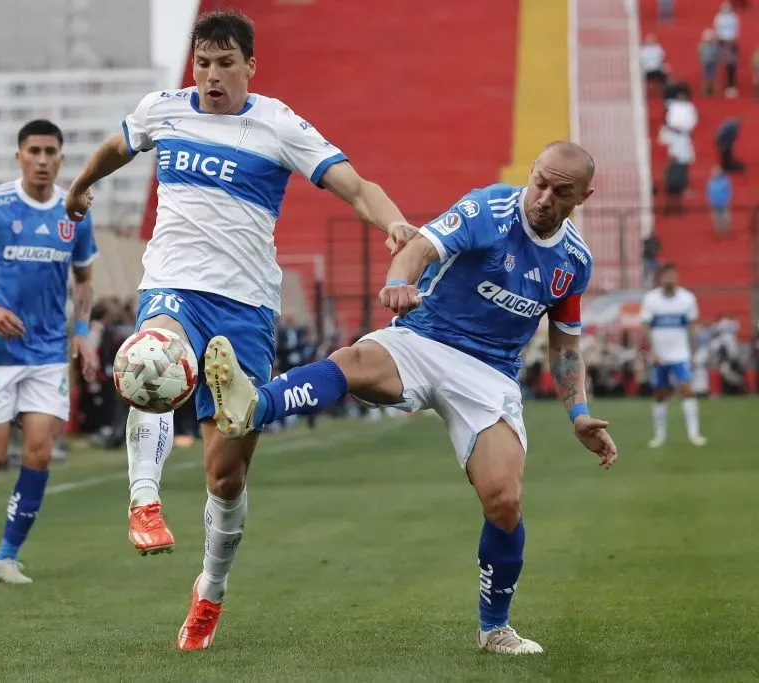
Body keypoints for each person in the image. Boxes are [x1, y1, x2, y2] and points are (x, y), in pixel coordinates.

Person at [64, 9, 419, 648]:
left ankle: (211, 589)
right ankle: (144, 500)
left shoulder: (278, 124)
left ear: (250, 66)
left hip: (246, 309)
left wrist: (392, 223)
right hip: (172, 285)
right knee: (150, 359)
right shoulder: (164, 109)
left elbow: (355, 185)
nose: (211, 76)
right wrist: (81, 186)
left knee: (225, 475)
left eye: (226, 63)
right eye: (203, 62)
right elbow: (121, 143)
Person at [204, 141, 619, 654]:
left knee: (505, 501)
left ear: (585, 196)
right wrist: (399, 283)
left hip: (489, 375)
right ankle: (254, 406)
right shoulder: (487, 208)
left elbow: (565, 343)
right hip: (425, 337)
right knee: (353, 362)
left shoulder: (573, 262)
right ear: (531, 173)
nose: (544, 198)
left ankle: (494, 629)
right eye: (540, 182)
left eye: (561, 192)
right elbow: (421, 247)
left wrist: (578, 413)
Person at [0, 119, 98, 584]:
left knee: (38, 452)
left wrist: (82, 332)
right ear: (19, 156)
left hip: (49, 353)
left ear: (61, 158)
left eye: (51, 151)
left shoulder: (75, 212)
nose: (42, 160)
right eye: (34, 151)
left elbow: (85, 280)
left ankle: (7, 557)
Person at [639, 264, 706, 448]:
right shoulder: (651, 299)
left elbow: (692, 328)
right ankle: (659, 436)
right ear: (661, 278)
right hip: (660, 355)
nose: (669, 279)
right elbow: (645, 327)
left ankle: (694, 434)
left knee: (687, 390)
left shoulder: (687, 298)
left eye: (672, 276)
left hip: (680, 354)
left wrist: (693, 353)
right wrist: (652, 352)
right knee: (660, 394)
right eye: (666, 276)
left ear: (676, 277)